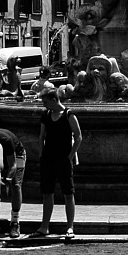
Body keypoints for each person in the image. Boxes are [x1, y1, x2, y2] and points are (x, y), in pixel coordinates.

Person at [36, 84, 83, 240]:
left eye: (46, 102)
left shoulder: (69, 115)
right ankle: (44, 226)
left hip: (63, 158)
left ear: (54, 100)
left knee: (68, 193)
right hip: (48, 158)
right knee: (47, 193)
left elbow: (78, 136)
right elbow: (41, 136)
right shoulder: (46, 115)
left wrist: (71, 156)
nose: (44, 105)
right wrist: (41, 154)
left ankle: (70, 227)